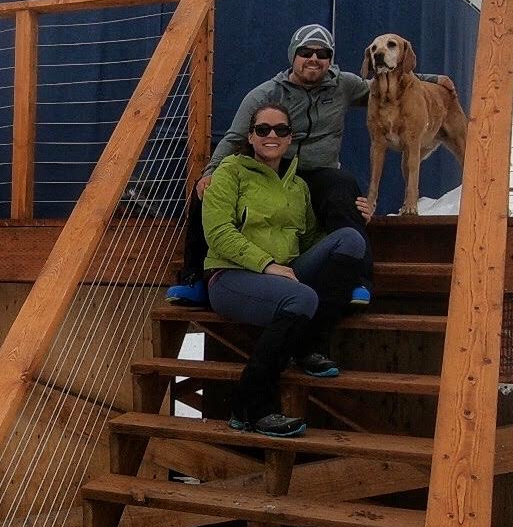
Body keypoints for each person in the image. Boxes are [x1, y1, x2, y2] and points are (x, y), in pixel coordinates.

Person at [167, 24, 452, 306]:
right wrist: (210, 171)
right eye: (305, 52)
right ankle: (193, 278)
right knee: (208, 187)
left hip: (320, 172)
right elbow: (233, 138)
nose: (314, 58)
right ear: (293, 55)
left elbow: (387, 76)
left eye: (322, 53)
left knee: (344, 187)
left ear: (330, 60)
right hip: (277, 172)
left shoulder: (343, 85)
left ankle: (358, 280)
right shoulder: (266, 94)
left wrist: (433, 79)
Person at [202, 105, 366, 437]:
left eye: (280, 130)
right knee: (301, 297)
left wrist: (358, 216)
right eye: (263, 129)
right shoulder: (230, 173)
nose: (271, 136)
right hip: (230, 276)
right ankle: (251, 406)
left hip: (282, 275)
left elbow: (309, 239)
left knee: (350, 240)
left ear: (290, 137)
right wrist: (267, 264)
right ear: (250, 137)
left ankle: (307, 348)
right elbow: (218, 232)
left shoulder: (297, 185)